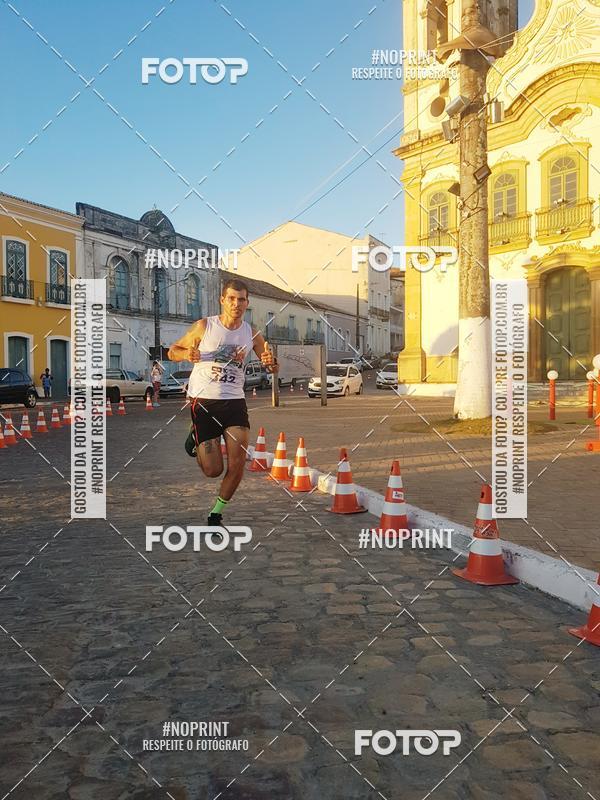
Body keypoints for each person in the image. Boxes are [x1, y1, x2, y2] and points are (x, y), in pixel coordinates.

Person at [168, 278, 277, 527]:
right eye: (231, 298)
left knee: (238, 464)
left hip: (235, 402)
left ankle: (216, 512)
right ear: (222, 300)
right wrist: (186, 354)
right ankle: (195, 436)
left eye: (241, 299)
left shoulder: (252, 333)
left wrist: (271, 363)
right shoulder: (204, 326)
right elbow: (172, 351)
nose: (236, 304)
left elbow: (270, 364)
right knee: (213, 470)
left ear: (247, 303)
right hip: (205, 402)